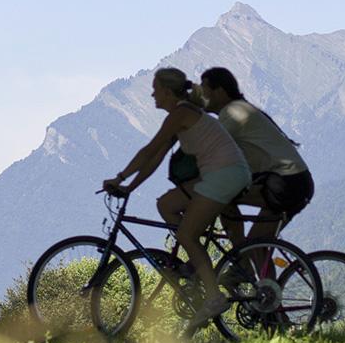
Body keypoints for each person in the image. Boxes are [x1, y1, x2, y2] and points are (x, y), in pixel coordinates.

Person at [102, 66, 251, 326]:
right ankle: (193, 267)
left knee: (186, 235)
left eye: (155, 90)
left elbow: (148, 150)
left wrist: (120, 177)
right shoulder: (182, 114)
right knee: (167, 204)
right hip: (223, 174)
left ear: (168, 92)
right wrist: (129, 187)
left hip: (223, 175)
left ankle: (214, 297)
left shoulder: (181, 113)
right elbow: (156, 158)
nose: (152, 95)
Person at [198, 66, 314, 245]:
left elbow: (210, 150)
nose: (201, 96)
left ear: (219, 91)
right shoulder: (240, 108)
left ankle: (238, 255)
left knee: (222, 196)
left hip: (285, 183)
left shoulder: (233, 113)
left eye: (204, 89)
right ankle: (243, 261)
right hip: (295, 182)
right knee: (257, 249)